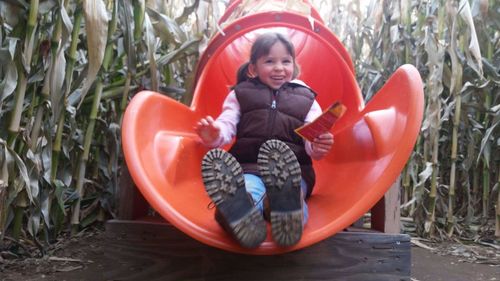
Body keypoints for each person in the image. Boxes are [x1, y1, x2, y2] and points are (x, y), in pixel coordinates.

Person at [195, 32, 334, 248]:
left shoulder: (307, 98)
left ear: (294, 65)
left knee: (291, 192)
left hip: (293, 171)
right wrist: (215, 134)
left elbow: (311, 140)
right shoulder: (241, 94)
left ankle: (286, 212)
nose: (279, 68)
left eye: (285, 61)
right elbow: (227, 123)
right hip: (249, 168)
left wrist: (317, 145)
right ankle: (239, 216)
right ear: (253, 68)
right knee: (248, 192)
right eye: (269, 61)